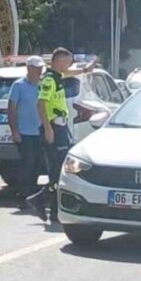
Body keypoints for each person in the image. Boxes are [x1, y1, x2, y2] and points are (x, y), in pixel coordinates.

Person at [26, 48, 98, 223]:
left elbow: (69, 72)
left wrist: (86, 69)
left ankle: (48, 206)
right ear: (58, 62)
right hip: (53, 128)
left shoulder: (57, 76)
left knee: (59, 170)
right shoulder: (50, 80)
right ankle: (43, 203)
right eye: (67, 61)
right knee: (56, 170)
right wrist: (48, 128)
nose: (69, 65)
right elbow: (41, 104)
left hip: (60, 126)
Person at [8, 56, 46, 207]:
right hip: (25, 132)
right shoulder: (18, 85)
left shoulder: (43, 85)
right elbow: (11, 109)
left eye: (40, 68)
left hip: (40, 131)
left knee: (37, 165)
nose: (39, 70)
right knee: (27, 165)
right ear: (28, 68)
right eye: (36, 68)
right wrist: (14, 131)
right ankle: (25, 197)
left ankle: (33, 196)